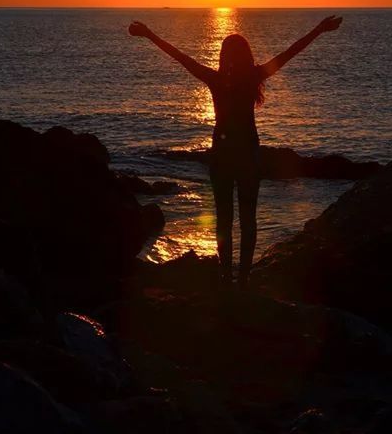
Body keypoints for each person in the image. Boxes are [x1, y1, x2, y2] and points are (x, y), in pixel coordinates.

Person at [129, 15, 342, 288]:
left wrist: (150, 34)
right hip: (246, 153)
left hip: (223, 153)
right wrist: (319, 29)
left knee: (226, 219)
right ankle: (240, 278)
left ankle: (228, 277)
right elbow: (290, 52)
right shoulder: (252, 77)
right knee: (245, 218)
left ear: (226, 56)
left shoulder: (216, 79)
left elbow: (181, 57)